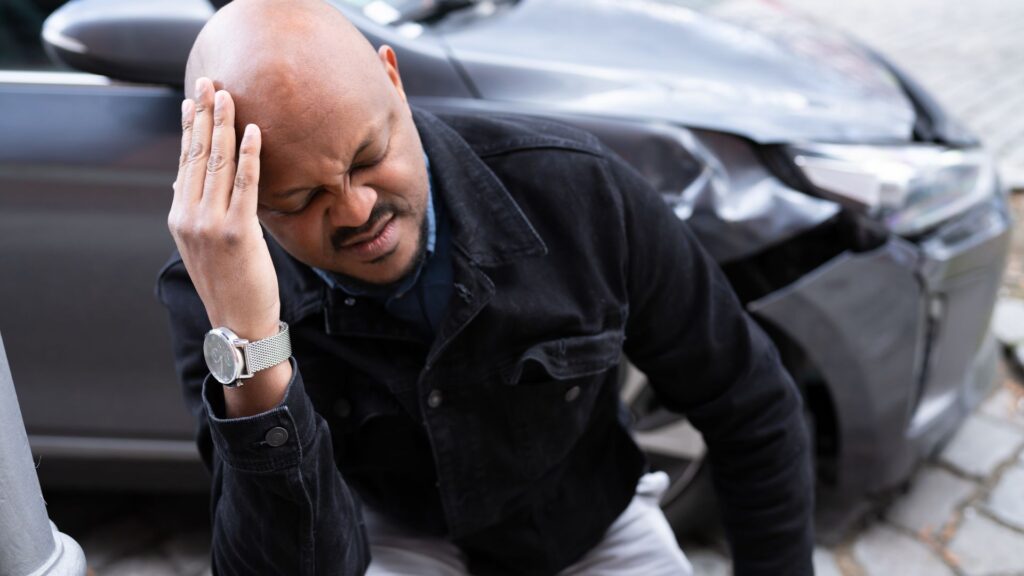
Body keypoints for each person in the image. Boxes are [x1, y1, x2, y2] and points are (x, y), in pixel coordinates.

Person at [156, 0, 814, 574]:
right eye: (301, 199)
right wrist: (252, 347)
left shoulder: (578, 193)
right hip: (385, 538)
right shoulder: (214, 294)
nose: (356, 211)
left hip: (591, 529)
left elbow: (749, 405)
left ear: (394, 79)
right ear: (249, 206)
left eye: (367, 159)